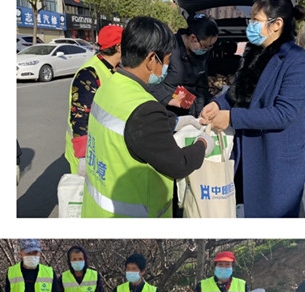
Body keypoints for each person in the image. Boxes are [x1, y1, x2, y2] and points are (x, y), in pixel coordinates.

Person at [81, 16, 213, 218]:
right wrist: (202, 144)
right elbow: (178, 165)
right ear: (152, 59)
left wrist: (176, 121)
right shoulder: (144, 109)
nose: (166, 67)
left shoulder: (108, 86)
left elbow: (132, 130)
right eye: (167, 60)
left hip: (96, 210)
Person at [200, 0, 305, 218]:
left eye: (255, 20)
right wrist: (218, 104)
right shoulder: (253, 53)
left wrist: (232, 118)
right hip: (245, 154)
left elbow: (283, 114)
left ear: (276, 24)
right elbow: (237, 94)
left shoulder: (297, 61)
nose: (249, 25)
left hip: (274, 162)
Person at [65, 25, 123, 175]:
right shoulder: (89, 73)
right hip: (86, 151)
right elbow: (79, 116)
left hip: (102, 147)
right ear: (118, 47)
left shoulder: (113, 68)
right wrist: (83, 156)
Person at [151, 14, 219, 118]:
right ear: (193, 38)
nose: (207, 50)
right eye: (205, 46)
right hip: (165, 112)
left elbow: (202, 86)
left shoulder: (204, 53)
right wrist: (167, 99)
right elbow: (149, 80)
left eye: (211, 46)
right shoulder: (167, 48)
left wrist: (200, 114)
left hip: (189, 111)